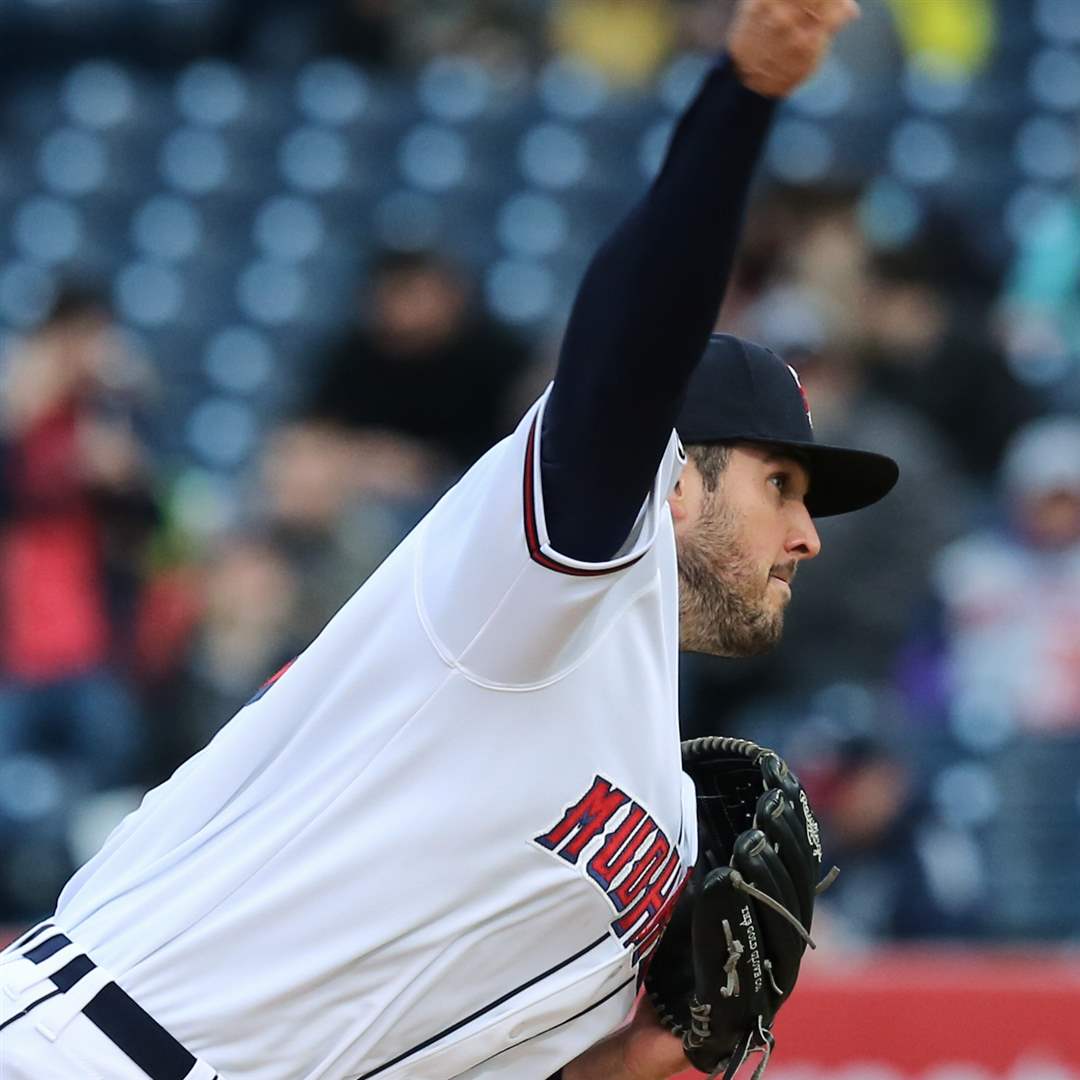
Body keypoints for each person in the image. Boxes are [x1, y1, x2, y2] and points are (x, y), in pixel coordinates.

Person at [0, 2, 894, 1079]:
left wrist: (645, 1055)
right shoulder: (532, 590)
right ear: (670, 481)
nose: (807, 535)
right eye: (780, 485)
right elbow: (631, 343)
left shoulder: (667, 815)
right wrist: (740, 101)